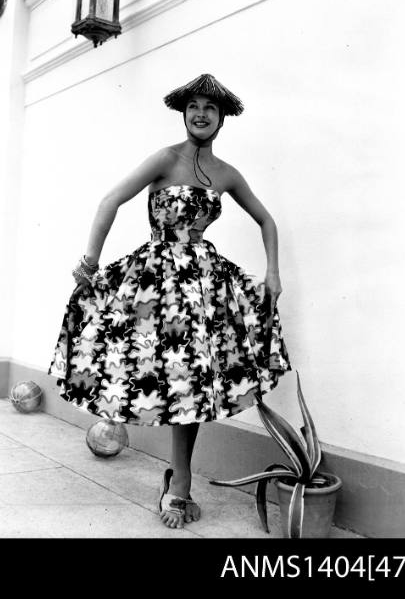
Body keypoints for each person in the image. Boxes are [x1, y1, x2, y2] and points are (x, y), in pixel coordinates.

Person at [48, 73, 292, 530]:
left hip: (203, 289)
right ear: (184, 114)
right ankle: (176, 480)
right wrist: (89, 265)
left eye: (210, 108)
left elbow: (267, 221)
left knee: (195, 384)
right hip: (158, 282)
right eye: (194, 106)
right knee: (150, 371)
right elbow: (109, 201)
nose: (201, 113)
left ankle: (178, 485)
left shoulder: (226, 174)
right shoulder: (165, 158)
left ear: (221, 120)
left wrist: (273, 272)